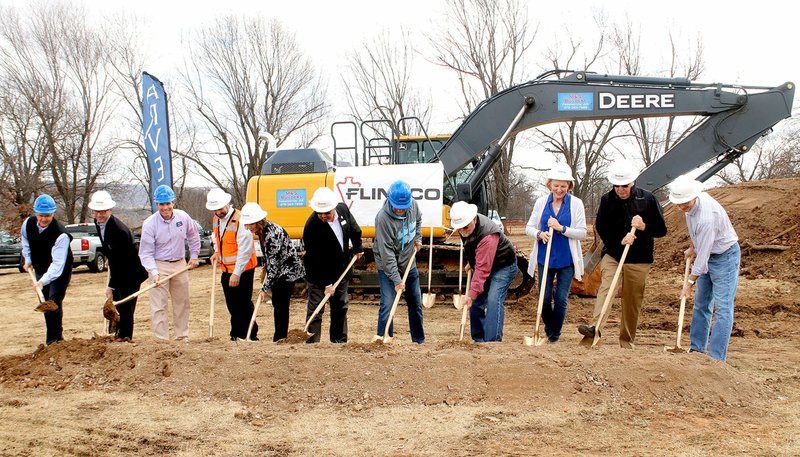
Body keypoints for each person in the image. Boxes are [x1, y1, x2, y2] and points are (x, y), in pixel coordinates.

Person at [578, 160, 667, 348]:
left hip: (640, 258)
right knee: (606, 289)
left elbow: (661, 230)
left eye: (624, 186)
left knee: (632, 299)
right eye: (616, 186)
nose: (620, 189)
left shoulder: (648, 199)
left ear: (633, 182)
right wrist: (620, 240)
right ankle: (594, 329)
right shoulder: (607, 199)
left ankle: (626, 341)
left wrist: (644, 227)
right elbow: (602, 227)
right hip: (613, 254)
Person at [669, 175, 740, 362]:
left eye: (685, 202)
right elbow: (697, 234)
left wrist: (689, 284)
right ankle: (696, 350)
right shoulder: (689, 205)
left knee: (723, 307)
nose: (682, 206)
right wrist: (694, 246)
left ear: (694, 195)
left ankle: (716, 359)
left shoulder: (708, 216)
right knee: (701, 304)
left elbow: (704, 256)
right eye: (679, 203)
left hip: (725, 256)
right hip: (708, 251)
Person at [525, 164, 587, 343]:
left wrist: (562, 228)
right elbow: (528, 227)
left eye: (563, 185)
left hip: (566, 259)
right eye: (556, 185)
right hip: (545, 257)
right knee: (543, 299)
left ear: (569, 186)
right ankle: (548, 328)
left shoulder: (576, 204)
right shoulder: (541, 202)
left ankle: (554, 335)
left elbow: (582, 233)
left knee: (560, 299)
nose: (559, 189)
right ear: (549, 184)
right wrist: (539, 233)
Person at [138, 185, 201, 341]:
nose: (165, 207)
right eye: (161, 204)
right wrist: (154, 273)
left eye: (168, 203)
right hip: (159, 265)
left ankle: (182, 337)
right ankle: (162, 341)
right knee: (159, 305)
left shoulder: (183, 217)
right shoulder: (150, 224)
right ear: (156, 204)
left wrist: (194, 256)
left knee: (182, 302)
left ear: (173, 202)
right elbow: (145, 253)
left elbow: (193, 237)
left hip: (180, 264)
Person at [450, 201, 518, 342]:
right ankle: (479, 340)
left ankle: (492, 342)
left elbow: (482, 269)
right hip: (486, 262)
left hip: (503, 265)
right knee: (475, 303)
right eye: (459, 228)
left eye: (465, 227)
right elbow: (473, 248)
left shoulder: (488, 235)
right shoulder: (465, 225)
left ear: (473, 219)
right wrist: (472, 262)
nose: (462, 231)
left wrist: (471, 294)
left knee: (493, 300)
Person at [302, 187, 363, 343]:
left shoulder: (343, 210)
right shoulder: (311, 227)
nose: (323, 216)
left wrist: (358, 248)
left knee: (340, 306)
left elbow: (355, 230)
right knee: (316, 309)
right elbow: (316, 260)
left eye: (326, 212)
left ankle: (339, 341)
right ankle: (312, 342)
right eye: (319, 212)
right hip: (318, 273)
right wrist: (327, 284)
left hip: (341, 270)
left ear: (334, 207)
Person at [240, 202, 305, 342]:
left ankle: (280, 337)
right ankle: (279, 336)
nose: (247, 227)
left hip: (288, 271)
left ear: (258, 221)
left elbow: (274, 264)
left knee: (281, 304)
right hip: (280, 270)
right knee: (277, 303)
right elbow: (270, 260)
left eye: (250, 224)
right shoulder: (264, 231)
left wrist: (264, 288)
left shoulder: (272, 235)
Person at [89, 190, 148, 341]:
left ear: (110, 210)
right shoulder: (98, 222)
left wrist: (111, 286)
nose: (100, 215)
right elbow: (112, 251)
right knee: (115, 304)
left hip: (132, 270)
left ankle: (125, 338)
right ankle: (113, 335)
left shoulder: (119, 230)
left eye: (103, 212)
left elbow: (121, 262)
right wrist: (110, 256)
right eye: (97, 212)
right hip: (120, 264)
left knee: (125, 306)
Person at [373, 180, 425, 343]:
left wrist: (417, 238)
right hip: (387, 266)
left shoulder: (413, 206)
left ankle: (418, 340)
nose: (400, 211)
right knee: (388, 304)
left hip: (409, 262)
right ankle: (383, 338)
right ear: (390, 201)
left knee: (415, 303)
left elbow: (418, 221)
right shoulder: (383, 219)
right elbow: (386, 253)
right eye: (397, 207)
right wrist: (396, 280)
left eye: (403, 208)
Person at [206, 188, 260, 341]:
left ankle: (249, 334)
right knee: (232, 305)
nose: (219, 211)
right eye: (215, 209)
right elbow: (218, 238)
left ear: (228, 204)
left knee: (243, 304)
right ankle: (236, 334)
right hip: (226, 269)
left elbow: (245, 250)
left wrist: (237, 273)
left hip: (244, 269)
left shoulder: (241, 220)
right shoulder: (216, 219)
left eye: (221, 208)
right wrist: (217, 252)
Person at [21, 194, 73, 345]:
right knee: (45, 304)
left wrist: (42, 281)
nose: (44, 219)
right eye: (41, 215)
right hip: (40, 266)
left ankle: (53, 340)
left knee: (53, 302)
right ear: (35, 213)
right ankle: (57, 338)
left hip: (60, 270)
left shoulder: (61, 235)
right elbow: (25, 239)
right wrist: (28, 258)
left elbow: (57, 265)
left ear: (53, 213)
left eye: (48, 216)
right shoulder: (28, 223)